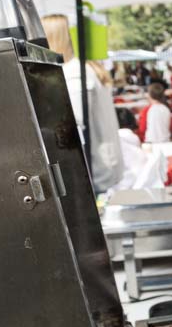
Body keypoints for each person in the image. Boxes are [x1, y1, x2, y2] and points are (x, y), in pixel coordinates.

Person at [41, 14, 124, 193]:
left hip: (95, 168)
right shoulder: (84, 69)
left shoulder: (75, 74)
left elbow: (73, 123)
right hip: (101, 165)